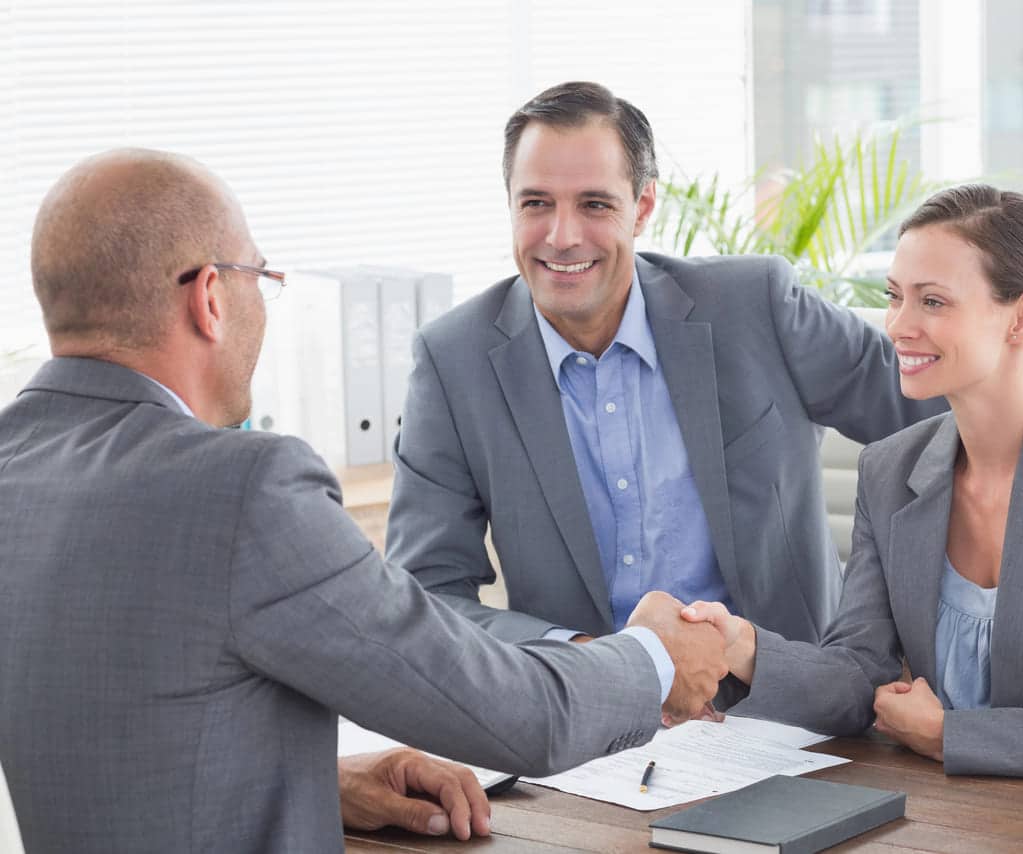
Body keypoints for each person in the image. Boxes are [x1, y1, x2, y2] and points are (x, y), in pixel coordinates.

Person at [0, 148, 727, 854]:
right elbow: (508, 713)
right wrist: (657, 656)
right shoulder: (243, 490)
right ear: (211, 297)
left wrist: (320, 781)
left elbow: (122, 729)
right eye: (259, 274)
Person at [386, 81, 945, 654]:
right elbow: (422, 594)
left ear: (643, 207)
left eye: (595, 204)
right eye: (536, 203)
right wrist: (586, 656)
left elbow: (949, 416)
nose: (562, 235)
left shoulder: (756, 307)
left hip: (793, 709)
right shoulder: (453, 364)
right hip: (593, 718)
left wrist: (900, 628)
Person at [683, 185, 1023, 778]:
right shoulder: (890, 470)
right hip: (938, 817)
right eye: (894, 297)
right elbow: (860, 672)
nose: (899, 326)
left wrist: (950, 735)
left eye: (932, 302)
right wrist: (744, 650)